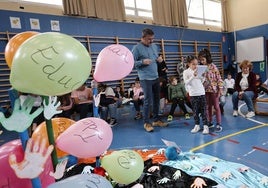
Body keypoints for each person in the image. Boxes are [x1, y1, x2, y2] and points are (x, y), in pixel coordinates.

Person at [132, 28, 167, 132]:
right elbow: (131, 63)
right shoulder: (136, 48)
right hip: (145, 78)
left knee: (157, 99)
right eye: (148, 39)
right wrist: (142, 62)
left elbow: (156, 57)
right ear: (142, 38)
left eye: (152, 39)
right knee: (148, 101)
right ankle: (146, 123)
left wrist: (160, 60)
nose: (151, 41)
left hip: (155, 76)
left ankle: (156, 120)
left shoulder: (154, 46)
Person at [198, 48, 224, 132]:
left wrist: (220, 90)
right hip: (205, 90)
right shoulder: (201, 67)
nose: (202, 61)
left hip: (214, 90)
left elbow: (219, 78)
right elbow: (200, 78)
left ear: (207, 58)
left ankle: (219, 123)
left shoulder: (213, 66)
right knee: (208, 107)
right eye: (200, 60)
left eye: (203, 59)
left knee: (216, 107)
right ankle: (209, 122)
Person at [183, 55, 209, 134]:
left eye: (196, 64)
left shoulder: (198, 70)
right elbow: (186, 82)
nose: (195, 65)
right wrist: (193, 76)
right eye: (193, 64)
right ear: (188, 64)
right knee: (195, 111)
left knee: (204, 110)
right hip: (193, 94)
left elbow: (200, 81)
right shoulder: (186, 72)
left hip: (201, 92)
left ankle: (205, 126)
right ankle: (197, 125)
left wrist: (203, 77)